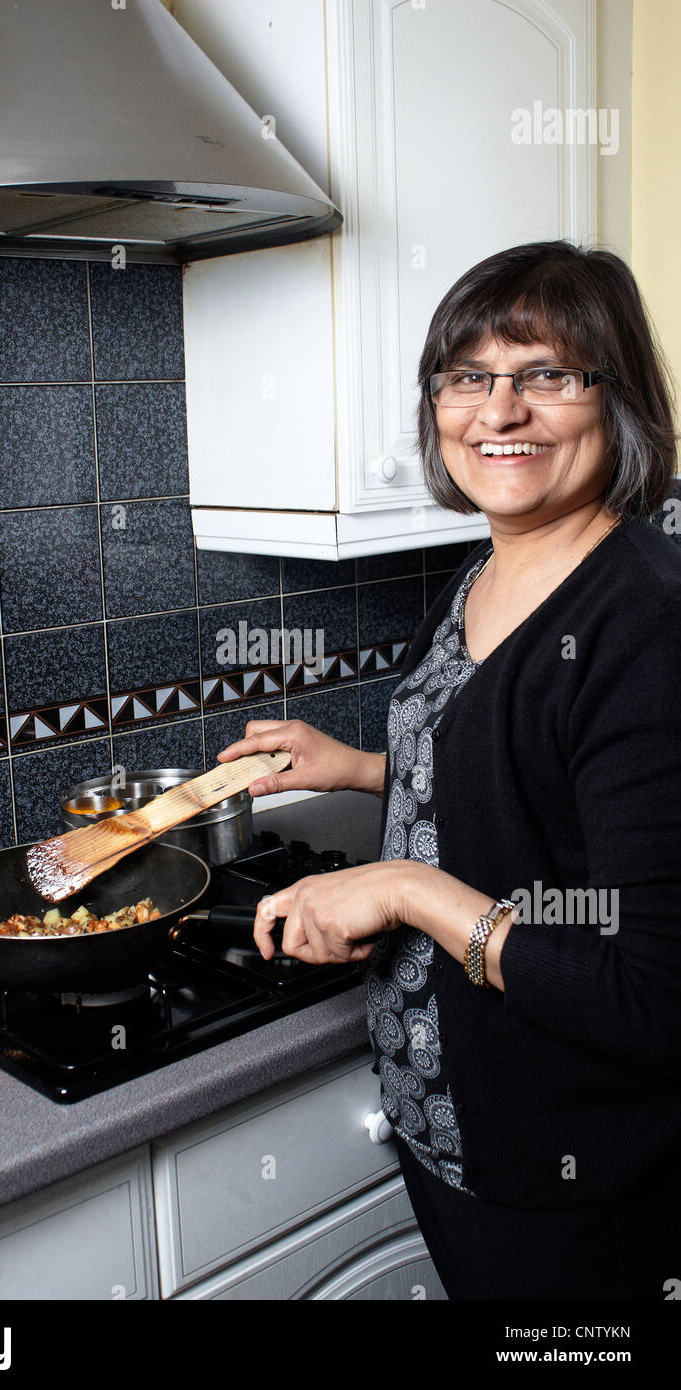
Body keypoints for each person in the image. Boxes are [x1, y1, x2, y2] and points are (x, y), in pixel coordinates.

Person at [217, 240, 681, 1300]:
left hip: (572, 1169)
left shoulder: (643, 620)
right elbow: (538, 785)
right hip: (451, 1125)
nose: (497, 411)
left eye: (546, 375)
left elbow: (647, 992)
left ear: (615, 403)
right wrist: (364, 767)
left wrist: (404, 888)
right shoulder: (489, 566)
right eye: (467, 376)